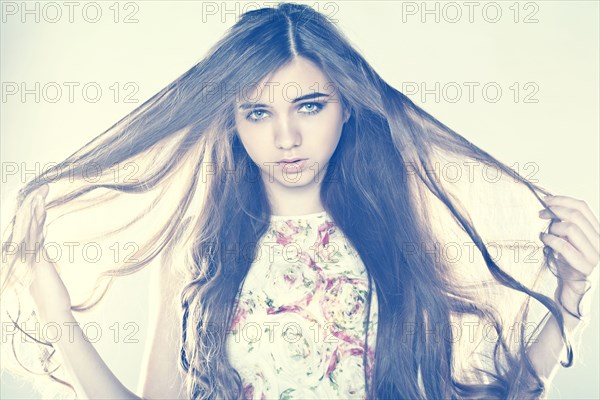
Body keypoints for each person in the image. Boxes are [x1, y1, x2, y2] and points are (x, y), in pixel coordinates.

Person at [1, 2, 598, 399]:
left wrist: (571, 293)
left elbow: (510, 389)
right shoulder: (199, 252)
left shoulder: (402, 233)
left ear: (347, 106)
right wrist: (53, 310)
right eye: (257, 112)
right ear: (233, 122)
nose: (285, 138)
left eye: (309, 106)